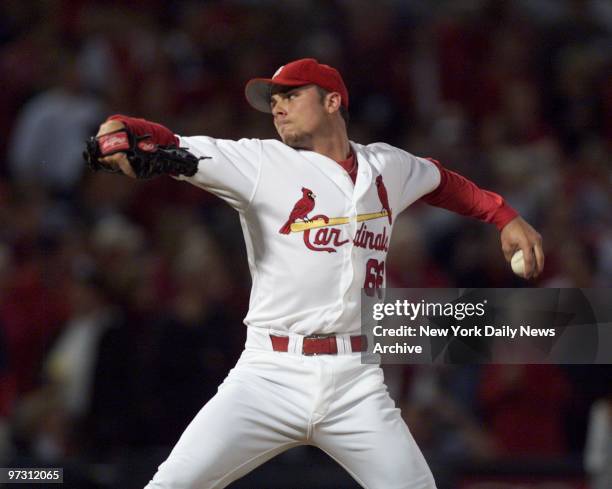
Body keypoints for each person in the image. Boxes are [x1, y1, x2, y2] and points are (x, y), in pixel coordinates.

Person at [91, 58, 544, 489]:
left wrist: (503, 216)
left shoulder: (387, 166)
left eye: (290, 95)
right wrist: (123, 130)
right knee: (173, 483)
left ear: (332, 102)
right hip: (269, 372)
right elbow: (174, 145)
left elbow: (443, 182)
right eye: (273, 100)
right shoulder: (261, 163)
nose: (277, 106)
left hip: (355, 380)